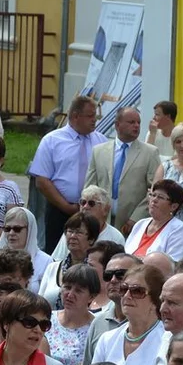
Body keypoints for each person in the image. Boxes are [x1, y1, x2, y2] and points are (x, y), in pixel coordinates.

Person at [28, 96, 107, 252]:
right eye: (90, 116)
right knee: (57, 252)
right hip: (60, 210)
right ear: (76, 116)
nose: (94, 120)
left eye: (95, 116)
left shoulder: (101, 141)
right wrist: (67, 207)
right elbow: (42, 181)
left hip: (92, 211)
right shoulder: (52, 140)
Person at [86, 107, 161, 235]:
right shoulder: (98, 151)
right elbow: (89, 187)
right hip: (101, 222)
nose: (136, 126)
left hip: (132, 224)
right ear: (117, 124)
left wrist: (135, 219)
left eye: (138, 122)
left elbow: (155, 190)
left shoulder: (150, 153)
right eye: (131, 122)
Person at [45, 263, 100, 365]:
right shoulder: (46, 319)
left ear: (91, 296)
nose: (69, 294)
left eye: (78, 291)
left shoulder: (97, 327)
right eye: (67, 287)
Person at [37, 212, 100, 307]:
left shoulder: (96, 270)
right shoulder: (53, 267)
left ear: (91, 239)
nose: (72, 236)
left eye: (79, 232)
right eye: (70, 231)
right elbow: (39, 302)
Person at [124, 179, 183, 261]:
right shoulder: (140, 224)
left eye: (160, 197)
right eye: (153, 195)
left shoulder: (179, 229)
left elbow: (175, 263)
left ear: (173, 206)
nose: (154, 200)